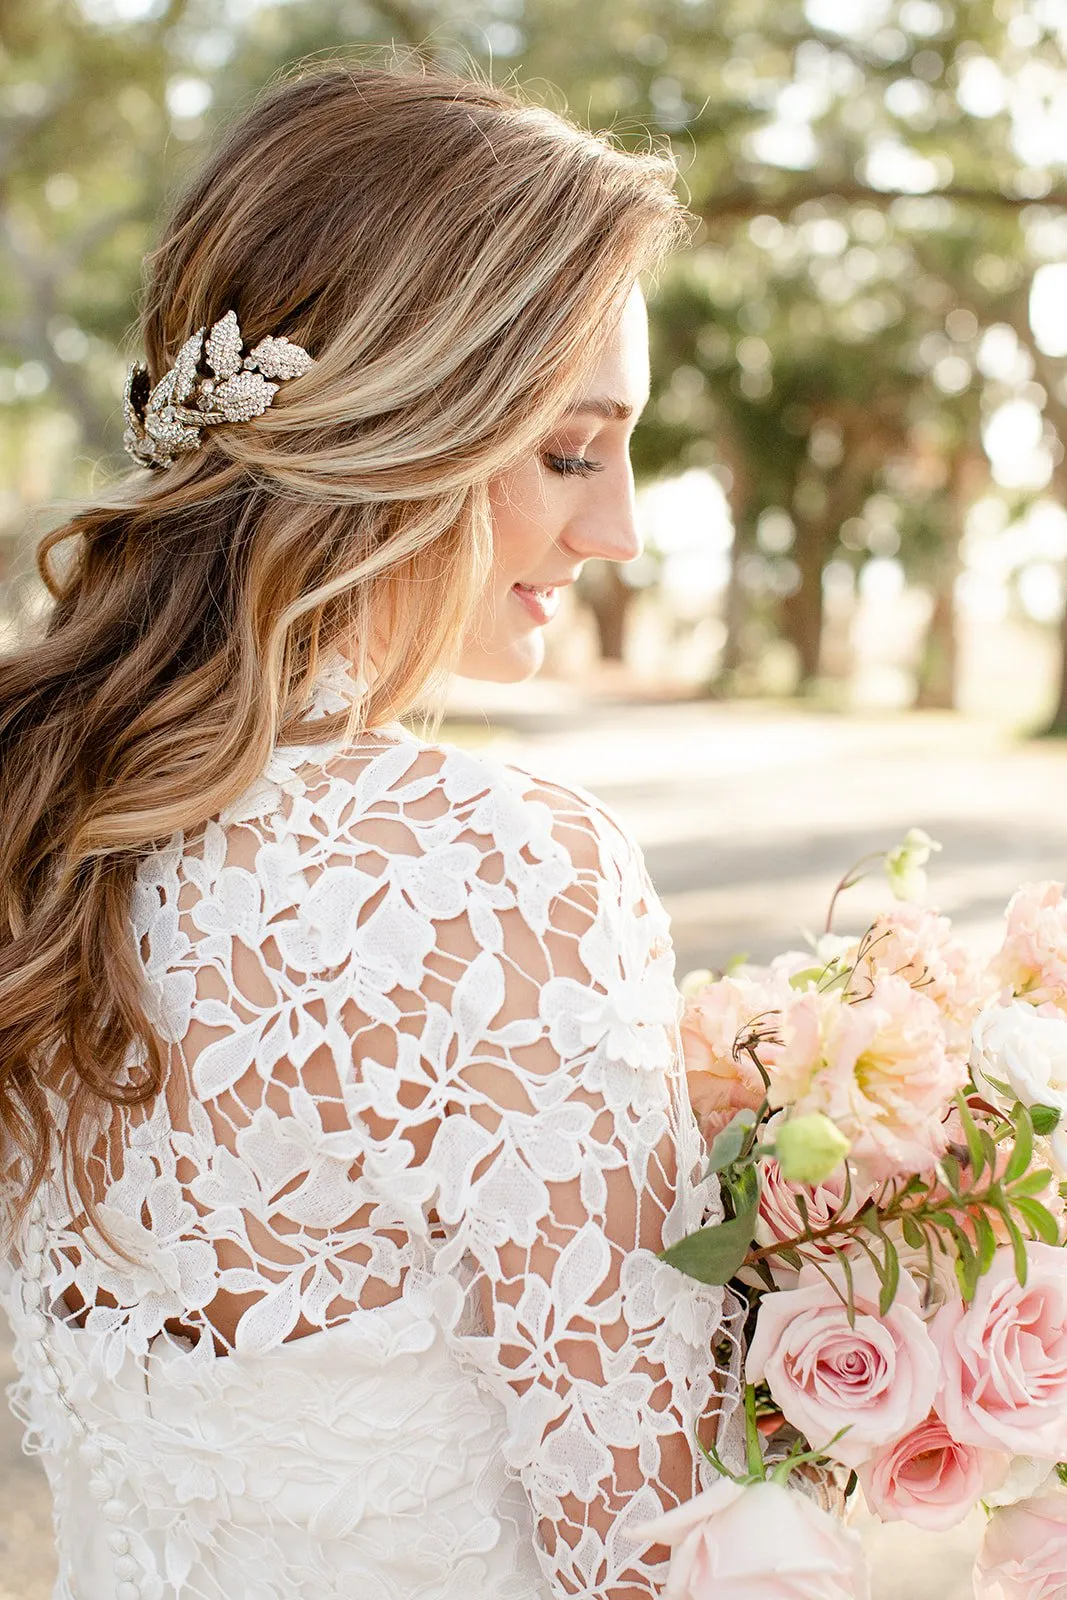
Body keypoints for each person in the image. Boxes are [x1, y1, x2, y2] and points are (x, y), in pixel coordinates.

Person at [0, 61, 735, 1599]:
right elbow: (659, 1563)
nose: (616, 529)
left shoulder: (39, 817)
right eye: (567, 448)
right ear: (391, 424)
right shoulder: (500, 871)